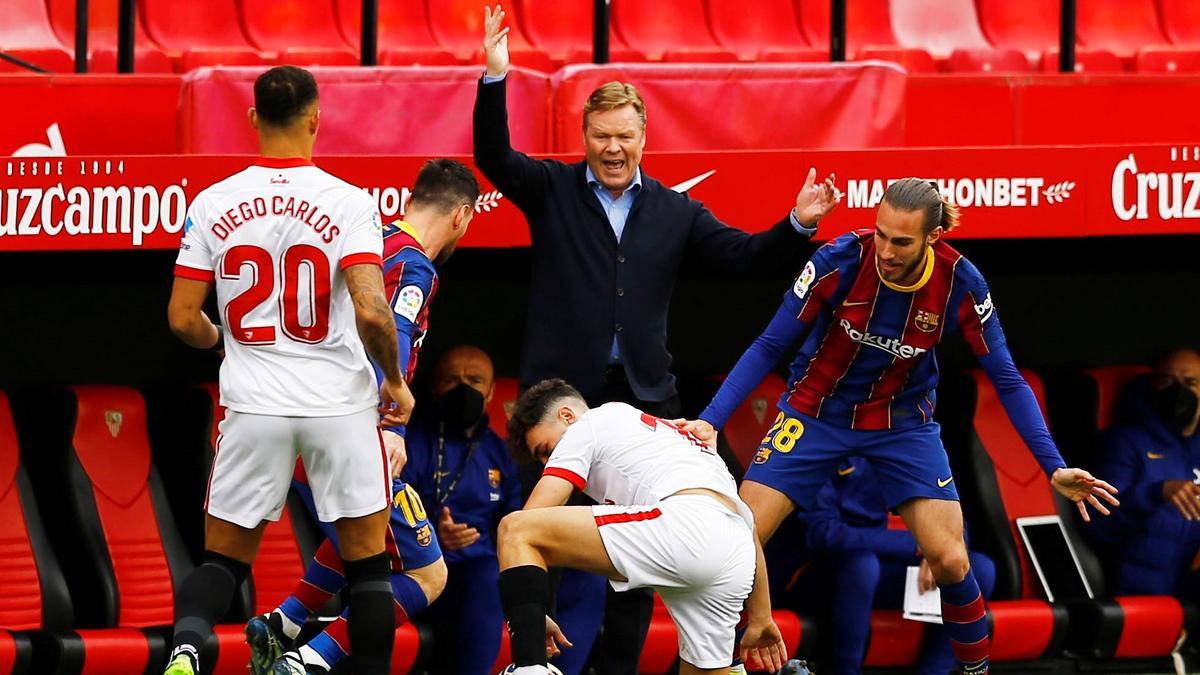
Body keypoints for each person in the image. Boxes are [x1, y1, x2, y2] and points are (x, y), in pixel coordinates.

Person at [475, 8, 839, 666]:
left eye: (625, 137)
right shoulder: (554, 188)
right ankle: (534, 647)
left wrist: (796, 224)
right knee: (532, 529)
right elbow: (492, 157)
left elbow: (743, 256)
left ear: (644, 138)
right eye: (601, 137)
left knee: (645, 569)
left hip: (648, 400)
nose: (613, 149)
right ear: (583, 137)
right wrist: (496, 76)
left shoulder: (675, 210)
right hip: (561, 400)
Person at [680, 178, 1120, 675]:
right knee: (734, 538)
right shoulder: (836, 262)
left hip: (902, 423)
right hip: (814, 411)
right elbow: (767, 344)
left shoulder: (962, 283)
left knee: (953, 560)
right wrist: (710, 420)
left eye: (902, 241)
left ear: (932, 237)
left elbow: (1008, 378)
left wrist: (1053, 467)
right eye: (881, 234)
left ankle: (976, 671)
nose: (886, 251)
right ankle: (717, 664)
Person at [164, 65, 414, 675]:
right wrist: (396, 381)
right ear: (316, 118)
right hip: (340, 407)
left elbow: (180, 318)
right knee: (368, 571)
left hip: (254, 404)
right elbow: (373, 312)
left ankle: (186, 652)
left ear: (253, 118)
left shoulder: (213, 201)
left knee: (222, 562)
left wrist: (222, 337)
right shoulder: (349, 200)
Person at [242, 158, 480, 674]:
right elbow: (387, 335)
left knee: (366, 537)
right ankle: (310, 661)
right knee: (429, 575)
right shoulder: (414, 265)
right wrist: (388, 426)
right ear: (462, 216)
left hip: (295, 421)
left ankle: (284, 623)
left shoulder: (366, 242)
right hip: (352, 429)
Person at [495, 379, 788, 675]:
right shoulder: (680, 439)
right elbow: (745, 523)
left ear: (567, 416)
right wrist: (761, 615)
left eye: (546, 449)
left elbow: (531, 520)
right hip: (734, 558)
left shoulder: (590, 423)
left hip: (687, 528)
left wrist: (529, 616)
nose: (548, 462)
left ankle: (529, 668)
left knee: (515, 528)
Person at [769, 457, 997, 675]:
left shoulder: (909, 443)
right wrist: (919, 546)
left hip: (876, 568)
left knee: (975, 569)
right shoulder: (823, 440)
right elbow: (823, 533)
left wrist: (944, 549)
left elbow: (951, 517)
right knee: (862, 566)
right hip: (814, 571)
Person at [402, 345, 524, 675]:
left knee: (488, 575)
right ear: (433, 387)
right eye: (452, 380)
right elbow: (391, 515)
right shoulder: (409, 443)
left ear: (491, 391)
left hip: (481, 577)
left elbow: (517, 526)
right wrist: (432, 535)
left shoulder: (502, 453)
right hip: (420, 575)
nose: (464, 388)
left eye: (474, 380)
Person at [1090, 348, 1200, 599]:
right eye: (1167, 381)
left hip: (1190, 587)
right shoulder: (1125, 441)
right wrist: (1155, 492)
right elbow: (1100, 525)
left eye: (1190, 382)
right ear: (1153, 387)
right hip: (1140, 590)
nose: (1178, 390)